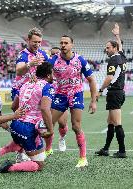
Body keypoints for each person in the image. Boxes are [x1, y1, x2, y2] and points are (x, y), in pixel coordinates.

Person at [0, 62, 54, 174]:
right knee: (39, 165)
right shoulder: (47, 87)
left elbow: (14, 106)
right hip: (28, 129)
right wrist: (51, 130)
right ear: (49, 75)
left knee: (20, 143)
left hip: (15, 124)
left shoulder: (25, 84)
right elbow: (45, 109)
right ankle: (9, 167)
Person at [47, 35, 97, 168]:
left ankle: (83, 158)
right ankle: (47, 149)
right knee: (48, 124)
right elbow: (42, 74)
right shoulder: (53, 60)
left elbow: (91, 80)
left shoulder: (80, 60)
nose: (63, 45)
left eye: (66, 43)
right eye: (61, 42)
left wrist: (93, 101)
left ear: (72, 45)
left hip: (76, 94)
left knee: (76, 126)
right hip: (60, 95)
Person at [10, 27, 48, 162]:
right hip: (21, 91)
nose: (37, 45)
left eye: (39, 42)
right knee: (20, 120)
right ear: (28, 40)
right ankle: (21, 150)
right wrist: (30, 64)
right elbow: (18, 71)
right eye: (34, 42)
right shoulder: (23, 54)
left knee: (36, 120)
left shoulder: (43, 54)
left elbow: (48, 68)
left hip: (35, 93)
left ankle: (31, 147)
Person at [95, 23, 127, 158]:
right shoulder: (121, 55)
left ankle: (122, 151)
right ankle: (106, 149)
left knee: (117, 123)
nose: (106, 49)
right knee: (110, 122)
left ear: (114, 48)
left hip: (114, 93)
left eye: (108, 48)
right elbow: (120, 46)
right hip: (119, 92)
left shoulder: (113, 60)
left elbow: (108, 78)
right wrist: (117, 35)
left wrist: (100, 90)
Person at [49, 47, 69, 152]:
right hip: (48, 98)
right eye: (53, 54)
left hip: (61, 97)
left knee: (62, 123)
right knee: (49, 123)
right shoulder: (47, 69)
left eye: (57, 53)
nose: (55, 55)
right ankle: (48, 146)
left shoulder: (64, 68)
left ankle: (62, 138)